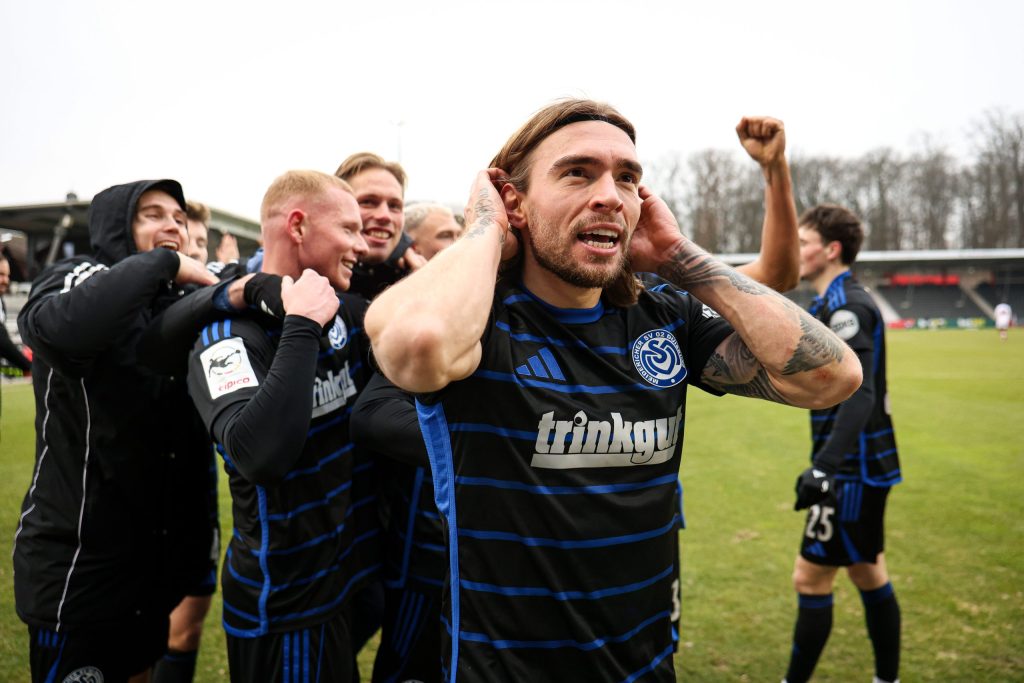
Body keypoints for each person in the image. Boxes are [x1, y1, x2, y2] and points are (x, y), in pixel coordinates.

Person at [365, 99, 861, 681]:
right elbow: (416, 345)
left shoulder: (664, 315)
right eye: (578, 173)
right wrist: (485, 229)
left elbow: (830, 376)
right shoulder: (481, 320)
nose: (609, 195)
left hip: (644, 665)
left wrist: (677, 256)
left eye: (627, 178)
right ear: (514, 201)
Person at [14, 180, 218, 683]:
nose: (172, 226)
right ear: (115, 226)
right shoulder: (80, 275)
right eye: (153, 215)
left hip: (148, 570)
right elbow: (62, 331)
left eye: (178, 218)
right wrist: (163, 262)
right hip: (80, 570)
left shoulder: (174, 302)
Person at [184, 170, 373, 682]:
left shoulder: (341, 314)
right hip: (283, 606)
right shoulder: (226, 336)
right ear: (297, 226)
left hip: (336, 582)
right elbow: (259, 455)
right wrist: (302, 325)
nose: (361, 246)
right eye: (349, 229)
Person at [785, 204, 902, 683]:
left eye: (803, 242)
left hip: (853, 470)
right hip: (855, 465)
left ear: (831, 250)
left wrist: (825, 467)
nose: (795, 250)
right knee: (866, 571)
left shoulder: (848, 307)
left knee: (810, 576)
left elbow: (862, 395)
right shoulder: (827, 304)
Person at [336, 152, 426, 300]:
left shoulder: (416, 281)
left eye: (394, 206)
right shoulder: (305, 285)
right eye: (368, 202)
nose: (385, 216)